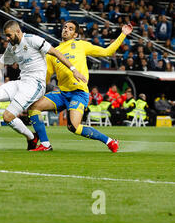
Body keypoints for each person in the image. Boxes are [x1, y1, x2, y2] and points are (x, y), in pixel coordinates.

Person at [0, 20, 87, 150]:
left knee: (7, 117)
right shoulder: (12, 47)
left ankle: (32, 137)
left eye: (9, 35)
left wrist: (73, 70)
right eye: (6, 36)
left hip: (35, 85)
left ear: (17, 31)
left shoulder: (33, 40)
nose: (7, 38)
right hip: (22, 82)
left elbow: (56, 53)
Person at [28, 21, 133, 152]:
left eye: (70, 29)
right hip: (62, 93)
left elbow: (107, 52)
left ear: (75, 34)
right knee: (33, 107)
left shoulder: (81, 45)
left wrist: (123, 34)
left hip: (78, 93)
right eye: (65, 27)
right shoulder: (52, 53)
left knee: (73, 127)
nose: (66, 30)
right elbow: (46, 78)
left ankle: (110, 141)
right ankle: (45, 144)